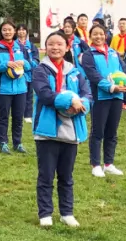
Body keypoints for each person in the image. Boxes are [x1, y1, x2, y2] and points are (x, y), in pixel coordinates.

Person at [32, 32, 92, 227]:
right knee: (46, 175)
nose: (55, 47)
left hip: (71, 130)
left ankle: (67, 212)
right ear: (45, 47)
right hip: (47, 131)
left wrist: (81, 104)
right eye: (51, 44)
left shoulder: (74, 71)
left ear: (67, 48)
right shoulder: (40, 70)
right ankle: (45, 213)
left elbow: (87, 94)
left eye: (59, 44)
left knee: (66, 176)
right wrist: (70, 100)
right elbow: (45, 94)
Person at [80, 23, 126, 178]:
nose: (99, 37)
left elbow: (125, 69)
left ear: (106, 35)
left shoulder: (113, 53)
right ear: (90, 37)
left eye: (101, 34)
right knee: (98, 132)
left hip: (117, 97)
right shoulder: (89, 54)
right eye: (95, 34)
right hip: (100, 97)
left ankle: (108, 163)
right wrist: (110, 87)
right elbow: (92, 75)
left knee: (112, 132)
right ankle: (95, 164)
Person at [0, 19, 30, 154]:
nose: (7, 32)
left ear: (14, 31)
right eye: (4, 29)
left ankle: (17, 142)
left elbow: (32, 64)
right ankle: (3, 142)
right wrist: (5, 65)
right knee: (4, 116)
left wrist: (23, 62)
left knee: (18, 117)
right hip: (3, 89)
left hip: (21, 89)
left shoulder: (21, 48)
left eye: (10, 29)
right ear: (1, 32)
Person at [16, 24, 38, 122]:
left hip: (30, 73)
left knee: (29, 94)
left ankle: (28, 115)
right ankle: (19, 113)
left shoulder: (31, 45)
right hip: (19, 73)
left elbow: (36, 59)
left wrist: (29, 65)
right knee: (21, 95)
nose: (21, 32)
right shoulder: (14, 45)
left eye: (23, 30)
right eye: (19, 30)